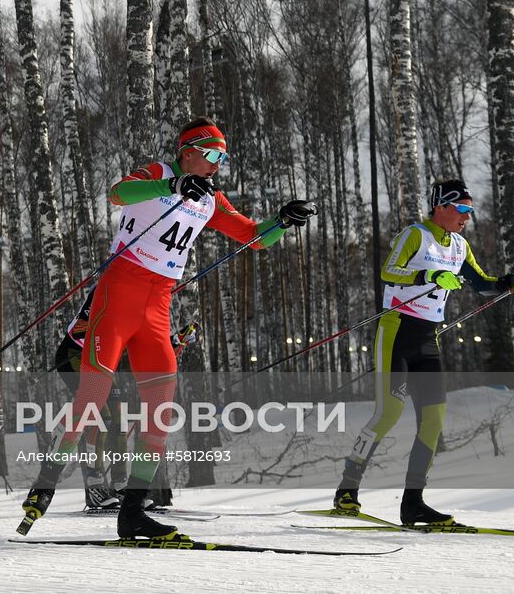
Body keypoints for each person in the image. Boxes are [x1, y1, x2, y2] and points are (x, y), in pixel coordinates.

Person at [20, 116, 316, 539]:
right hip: (119, 293)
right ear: (188, 152)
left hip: (158, 305)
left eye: (223, 158)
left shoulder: (210, 198)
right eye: (212, 155)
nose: (217, 165)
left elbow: (253, 235)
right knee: (93, 396)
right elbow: (117, 192)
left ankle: (134, 512)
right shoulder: (159, 173)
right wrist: (171, 187)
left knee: (160, 408)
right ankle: (45, 484)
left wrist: (282, 221)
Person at [333, 178, 514, 526]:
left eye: (470, 211)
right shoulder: (416, 235)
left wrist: (509, 282)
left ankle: (413, 503)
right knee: (389, 413)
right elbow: (389, 271)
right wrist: (431, 274)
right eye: (461, 209)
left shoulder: (459, 245)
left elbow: (481, 284)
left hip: (428, 337)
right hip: (396, 329)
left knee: (433, 421)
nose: (466, 217)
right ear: (440, 207)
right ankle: (347, 489)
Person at [51, 287, 201, 512]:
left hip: (100, 362)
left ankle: (121, 485)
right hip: (74, 357)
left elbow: (142, 344)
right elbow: (82, 330)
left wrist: (175, 341)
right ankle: (95, 487)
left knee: (119, 423)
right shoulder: (107, 289)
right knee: (102, 417)